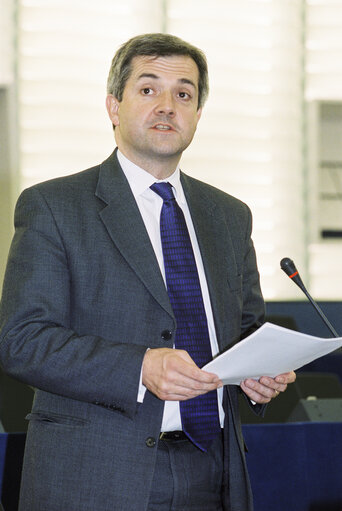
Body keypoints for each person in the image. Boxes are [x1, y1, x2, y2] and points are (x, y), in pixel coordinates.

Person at [0, 33, 295, 511]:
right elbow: (21, 340)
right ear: (114, 106)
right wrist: (140, 367)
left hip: (215, 469)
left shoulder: (229, 215)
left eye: (184, 93)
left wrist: (258, 374)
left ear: (198, 114)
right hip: (97, 474)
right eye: (148, 89)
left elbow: (244, 331)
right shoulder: (54, 206)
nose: (167, 105)